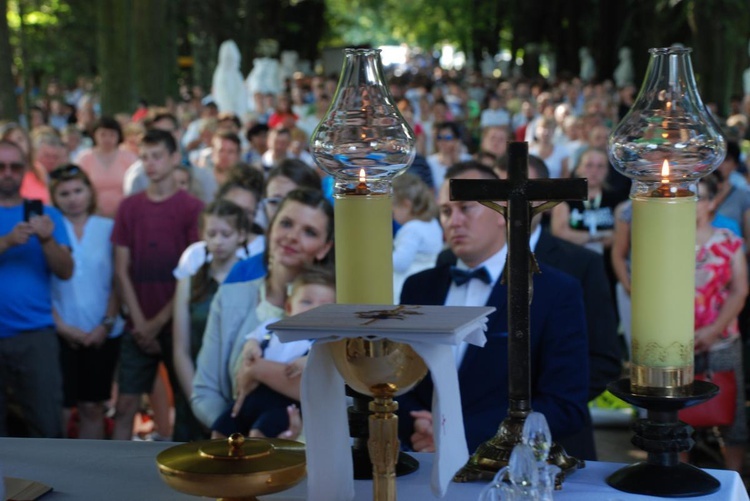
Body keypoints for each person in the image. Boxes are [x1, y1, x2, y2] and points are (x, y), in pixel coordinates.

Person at [396, 161, 589, 456]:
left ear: (502, 212)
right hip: (424, 458)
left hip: (508, 467)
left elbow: (564, 403)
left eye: (465, 209)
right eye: (446, 212)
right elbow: (401, 378)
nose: (453, 221)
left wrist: (461, 434)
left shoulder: (555, 292)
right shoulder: (419, 287)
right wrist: (418, 426)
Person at [191, 188, 334, 433]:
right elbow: (205, 392)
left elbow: (339, 395)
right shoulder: (230, 297)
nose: (292, 236)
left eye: (309, 232)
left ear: (324, 248)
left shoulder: (335, 307)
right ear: (271, 229)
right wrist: (237, 432)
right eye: (286, 224)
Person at [110, 129, 204, 440]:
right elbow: (122, 268)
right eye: (144, 157)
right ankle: (114, 476)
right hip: (136, 323)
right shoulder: (129, 207)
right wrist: (140, 323)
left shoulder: (191, 208)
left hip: (177, 322)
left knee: (187, 406)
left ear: (175, 159)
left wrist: (158, 322)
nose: (150, 164)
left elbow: (192, 271)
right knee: (125, 405)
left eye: (157, 156)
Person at [0, 139, 73, 437]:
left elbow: (66, 271)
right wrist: (5, 242)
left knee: (46, 426)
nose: (7, 173)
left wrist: (46, 240)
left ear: (26, 170)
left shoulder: (48, 216)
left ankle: (51, 485)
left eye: (15, 166)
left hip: (35, 336)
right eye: (1, 166)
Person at [211, 265, 335, 438]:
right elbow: (253, 339)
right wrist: (251, 348)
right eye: (306, 301)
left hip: (284, 405)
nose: (314, 310)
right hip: (252, 397)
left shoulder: (324, 342)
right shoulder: (272, 326)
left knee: (260, 433)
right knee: (221, 428)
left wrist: (308, 361)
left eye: (324, 307)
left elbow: (325, 363)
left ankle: (254, 464)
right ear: (289, 307)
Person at [48, 164, 123, 439]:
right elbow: (41, 283)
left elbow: (118, 280)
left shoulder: (108, 228)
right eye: (64, 193)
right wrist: (61, 327)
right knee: (61, 407)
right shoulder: (50, 230)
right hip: (60, 330)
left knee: (93, 406)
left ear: (90, 192)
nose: (73, 198)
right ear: (54, 198)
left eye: (78, 190)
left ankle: (89, 468)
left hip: (101, 330)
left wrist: (106, 324)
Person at [172, 200, 251, 442]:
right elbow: (180, 349)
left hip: (242, 392)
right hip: (196, 385)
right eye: (212, 233)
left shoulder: (254, 282)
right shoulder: (190, 283)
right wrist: (198, 400)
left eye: (226, 234)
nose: (218, 241)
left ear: (241, 235)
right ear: (202, 235)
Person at [690, 175, 748, 473]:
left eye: (698, 196)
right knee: (672, 415)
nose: (691, 201)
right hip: (678, 344)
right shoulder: (665, 239)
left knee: (732, 416)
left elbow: (740, 290)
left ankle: (734, 480)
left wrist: (712, 332)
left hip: (722, 340)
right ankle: (674, 475)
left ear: (712, 202)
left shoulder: (728, 242)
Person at [74, 116, 138, 218]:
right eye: (103, 135)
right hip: (92, 214)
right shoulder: (84, 158)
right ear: (94, 135)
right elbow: (78, 186)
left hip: (124, 214)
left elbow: (137, 188)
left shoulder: (129, 158)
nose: (107, 139)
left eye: (112, 135)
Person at [392, 173, 443, 300]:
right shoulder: (432, 223)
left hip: (408, 281)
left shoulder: (411, 229)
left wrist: (383, 254)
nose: (393, 215)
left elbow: (400, 263)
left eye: (394, 210)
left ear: (406, 205)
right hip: (430, 280)